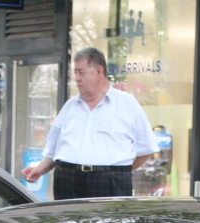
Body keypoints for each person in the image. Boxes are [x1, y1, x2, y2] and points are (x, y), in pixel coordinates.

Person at [21, 47, 160, 201]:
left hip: (110, 184)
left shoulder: (127, 104)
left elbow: (146, 148)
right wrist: (40, 169)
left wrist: (117, 171)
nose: (77, 78)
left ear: (99, 72)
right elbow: (53, 149)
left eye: (82, 72)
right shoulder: (70, 106)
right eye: (75, 73)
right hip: (68, 181)